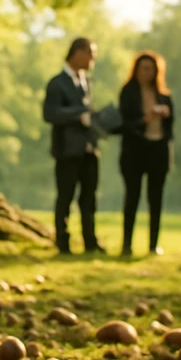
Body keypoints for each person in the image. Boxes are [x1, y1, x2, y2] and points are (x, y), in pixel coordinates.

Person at [43, 37, 104, 255]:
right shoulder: (57, 83)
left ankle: (90, 240)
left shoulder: (86, 82)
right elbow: (50, 113)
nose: (92, 60)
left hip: (88, 149)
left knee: (89, 197)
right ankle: (63, 242)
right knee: (65, 196)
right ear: (78, 53)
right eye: (90, 55)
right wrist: (78, 115)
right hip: (67, 151)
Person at [118, 51, 174, 257]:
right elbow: (124, 124)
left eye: (151, 69)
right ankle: (127, 244)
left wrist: (165, 115)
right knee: (132, 197)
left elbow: (171, 127)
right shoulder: (128, 93)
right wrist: (145, 119)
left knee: (156, 199)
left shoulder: (164, 95)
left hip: (158, 151)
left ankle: (153, 244)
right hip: (135, 152)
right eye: (143, 68)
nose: (147, 73)